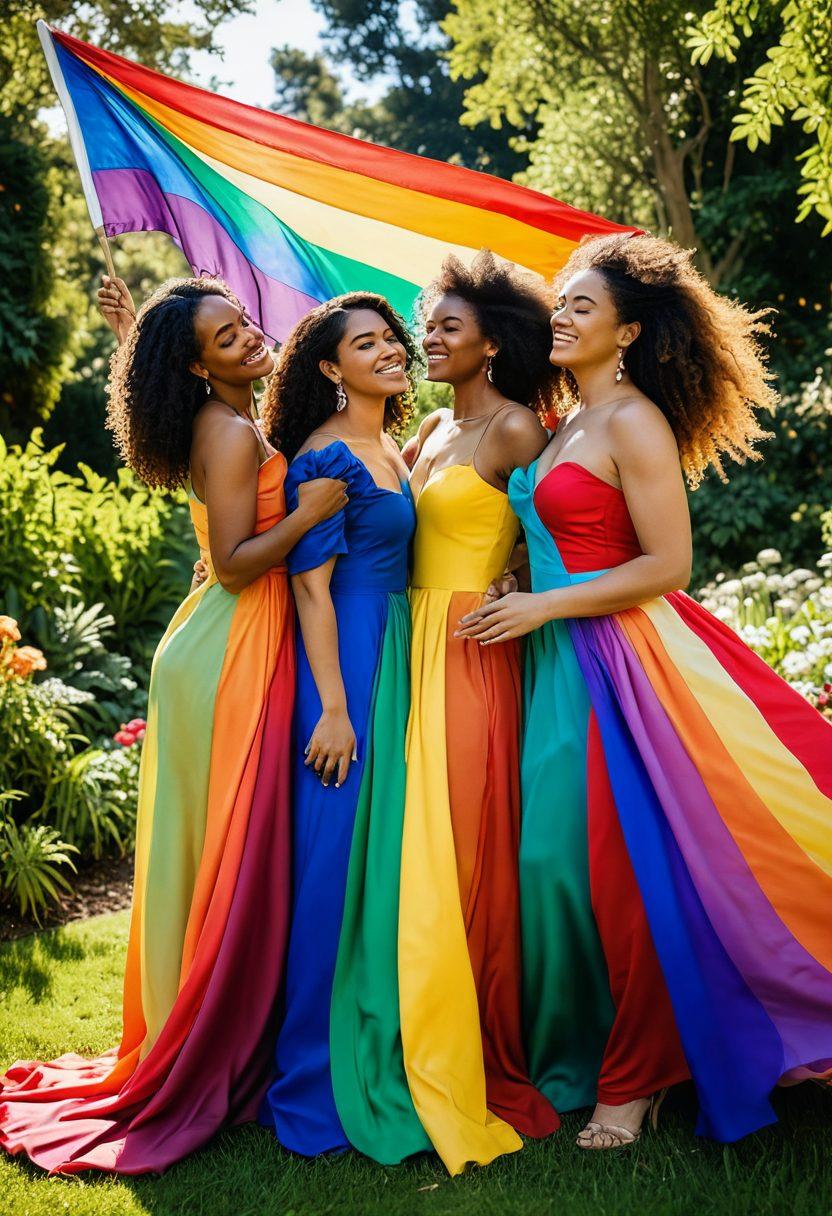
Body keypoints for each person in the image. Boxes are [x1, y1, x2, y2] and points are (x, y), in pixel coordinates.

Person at [457, 232, 832, 1149]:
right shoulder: (565, 422)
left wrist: (545, 603)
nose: (565, 315)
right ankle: (589, 1055)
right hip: (552, 657)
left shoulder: (632, 420)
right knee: (553, 869)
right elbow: (551, 536)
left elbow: (668, 564)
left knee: (621, 875)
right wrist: (520, 587)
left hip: (622, 663)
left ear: (626, 332)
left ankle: (639, 1077)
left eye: (585, 305)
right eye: (564, 302)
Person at [0, 277, 346, 1174]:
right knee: (229, 841)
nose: (249, 340)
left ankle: (220, 1011)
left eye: (243, 326)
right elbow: (233, 566)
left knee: (213, 842)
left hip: (220, 644)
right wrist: (308, 514)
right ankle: (208, 1029)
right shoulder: (229, 431)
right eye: (226, 339)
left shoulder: (224, 415)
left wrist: (129, 333)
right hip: (232, 642)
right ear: (197, 365)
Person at [256, 294, 435, 1166]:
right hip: (349, 666)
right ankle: (312, 1076)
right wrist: (332, 705)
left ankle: (390, 1032)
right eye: (365, 344)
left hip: (398, 653)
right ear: (329, 369)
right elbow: (310, 589)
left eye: (390, 337)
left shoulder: (391, 449)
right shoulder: (324, 456)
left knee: (389, 861)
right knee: (336, 862)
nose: (390, 349)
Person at [399, 251, 560, 1171]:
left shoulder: (517, 431)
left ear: (492, 341)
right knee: (412, 840)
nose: (431, 337)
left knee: (463, 842)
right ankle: (414, 1009)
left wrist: (516, 578)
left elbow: (555, 542)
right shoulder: (424, 428)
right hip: (406, 646)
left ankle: (478, 1031)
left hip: (472, 650)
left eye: (447, 326)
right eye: (427, 324)